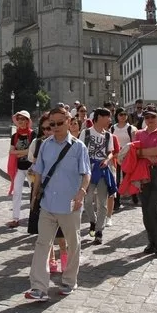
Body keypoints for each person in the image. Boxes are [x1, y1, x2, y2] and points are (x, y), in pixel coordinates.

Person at [24, 107, 91, 301]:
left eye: (59, 123)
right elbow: (38, 173)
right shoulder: (45, 145)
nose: (55, 127)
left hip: (69, 204)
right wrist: (34, 197)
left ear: (69, 121)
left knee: (73, 243)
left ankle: (69, 281)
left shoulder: (78, 147)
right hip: (47, 204)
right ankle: (38, 287)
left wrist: (81, 193)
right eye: (51, 124)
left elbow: (86, 173)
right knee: (42, 244)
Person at [28, 114, 67, 273]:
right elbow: (33, 166)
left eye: (50, 127)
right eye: (43, 128)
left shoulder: (67, 144)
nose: (47, 131)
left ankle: (64, 258)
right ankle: (51, 260)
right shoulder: (37, 143)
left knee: (61, 233)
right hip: (42, 191)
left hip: (61, 191)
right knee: (45, 232)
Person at [134, 105, 157, 256]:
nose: (150, 120)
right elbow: (134, 152)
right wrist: (148, 155)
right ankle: (152, 242)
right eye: (147, 117)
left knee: (155, 207)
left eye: (152, 117)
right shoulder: (139, 134)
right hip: (143, 172)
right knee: (146, 209)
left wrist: (142, 153)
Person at [81, 108, 119, 245]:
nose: (110, 120)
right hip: (89, 171)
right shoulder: (86, 133)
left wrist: (107, 160)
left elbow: (110, 152)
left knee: (102, 203)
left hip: (102, 170)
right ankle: (93, 220)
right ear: (99, 117)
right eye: (108, 117)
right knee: (87, 200)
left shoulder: (108, 135)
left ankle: (99, 231)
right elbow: (80, 151)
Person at [7, 110, 34, 228]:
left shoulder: (33, 134)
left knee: (34, 193)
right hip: (19, 168)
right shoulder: (15, 136)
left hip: (31, 168)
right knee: (17, 193)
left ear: (27, 121)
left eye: (23, 119)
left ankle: (34, 217)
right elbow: (11, 151)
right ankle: (15, 218)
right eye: (19, 119)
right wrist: (24, 152)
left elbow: (32, 151)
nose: (21, 121)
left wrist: (19, 153)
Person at [112, 108, 138, 210]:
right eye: (120, 114)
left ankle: (134, 196)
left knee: (129, 177)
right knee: (117, 179)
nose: (123, 116)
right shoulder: (112, 128)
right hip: (117, 156)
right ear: (117, 116)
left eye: (124, 114)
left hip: (128, 156)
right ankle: (117, 201)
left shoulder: (131, 128)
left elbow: (134, 142)